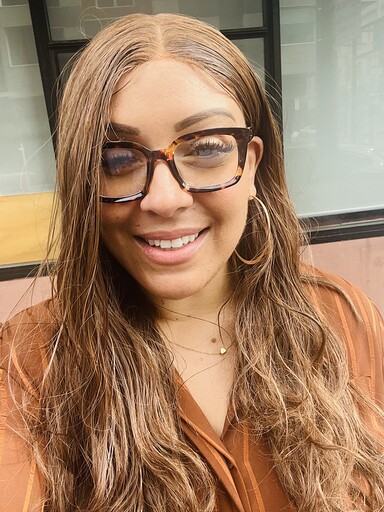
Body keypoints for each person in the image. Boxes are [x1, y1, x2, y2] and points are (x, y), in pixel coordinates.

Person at [0, 12, 383, 512]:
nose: (164, 199)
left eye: (205, 148)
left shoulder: (342, 317)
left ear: (251, 166)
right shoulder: (29, 367)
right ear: (81, 184)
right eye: (115, 159)